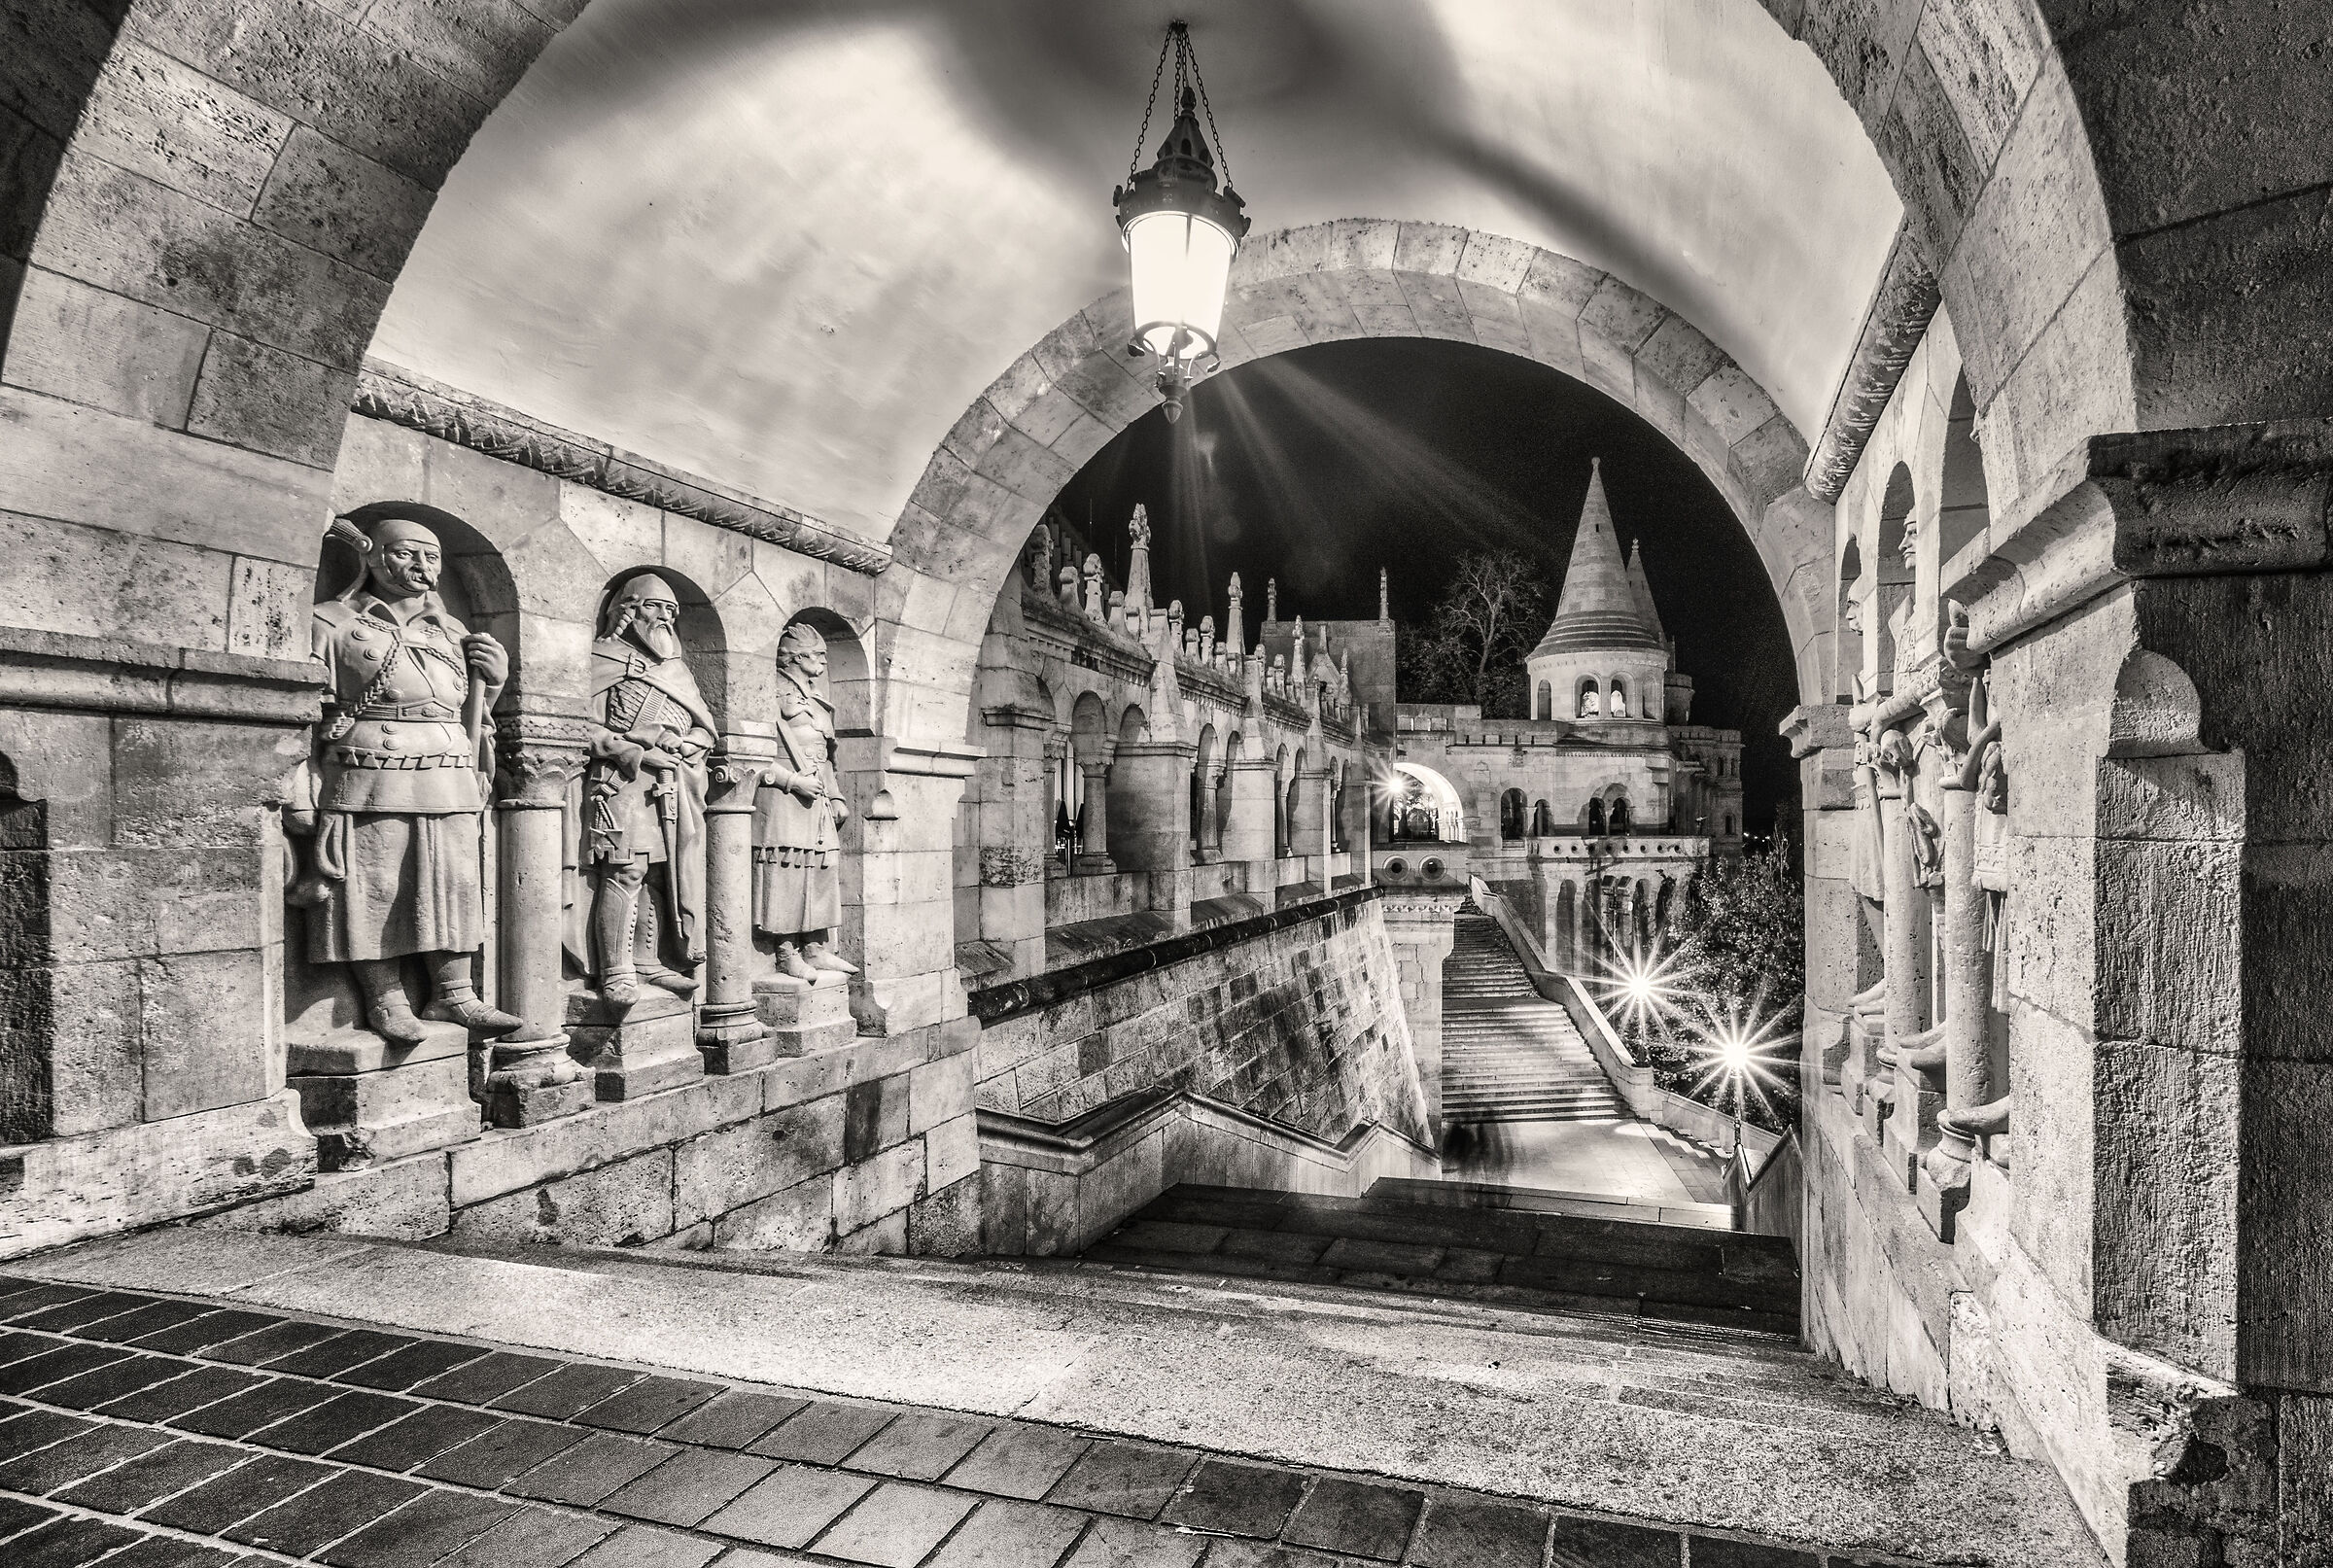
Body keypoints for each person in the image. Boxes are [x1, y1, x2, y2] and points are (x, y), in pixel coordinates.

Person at [288, 515, 520, 1045]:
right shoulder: (332, 622)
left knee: (455, 880)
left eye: (432, 557)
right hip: (369, 769)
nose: (422, 567)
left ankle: (453, 992)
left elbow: (469, 715)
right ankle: (385, 997)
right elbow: (305, 714)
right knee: (375, 884)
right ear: (371, 556)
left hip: (449, 770)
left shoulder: (453, 632)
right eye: (406, 554)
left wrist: (498, 682)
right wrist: (301, 787)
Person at [584, 573, 712, 1006]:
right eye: (655, 607)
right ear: (628, 610)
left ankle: (648, 961)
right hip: (622, 782)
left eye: (671, 611)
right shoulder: (602, 660)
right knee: (626, 870)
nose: (664, 618)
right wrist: (634, 752)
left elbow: (703, 727)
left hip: (675, 782)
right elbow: (581, 726)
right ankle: (615, 970)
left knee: (661, 872)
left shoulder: (675, 670)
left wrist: (687, 743)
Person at [754, 621, 856, 985]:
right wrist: (791, 780)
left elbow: (824, 756)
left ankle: (814, 946)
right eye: (818, 655)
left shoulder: (816, 702)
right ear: (796, 657)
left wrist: (837, 795)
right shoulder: (768, 693)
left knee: (823, 867)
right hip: (783, 800)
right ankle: (785, 951)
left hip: (819, 800)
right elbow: (748, 752)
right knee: (786, 874)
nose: (824, 663)